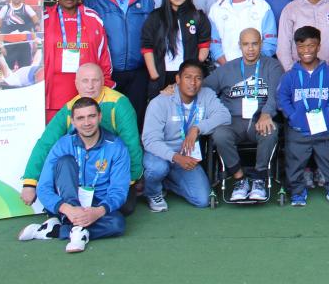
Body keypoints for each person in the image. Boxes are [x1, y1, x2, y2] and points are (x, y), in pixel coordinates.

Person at [21, 63, 142, 215]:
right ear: (76, 84)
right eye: (85, 81)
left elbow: (132, 143)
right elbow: (45, 143)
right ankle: (70, 217)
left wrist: (131, 180)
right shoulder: (71, 107)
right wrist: (30, 182)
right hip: (81, 173)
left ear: (103, 81)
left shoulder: (119, 104)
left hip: (111, 171)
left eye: (95, 80)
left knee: (124, 208)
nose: (90, 86)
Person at [16, 97, 129, 253]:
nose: (87, 123)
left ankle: (56, 230)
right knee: (65, 162)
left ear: (100, 117)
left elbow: (119, 191)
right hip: (66, 205)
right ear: (73, 122)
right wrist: (68, 209)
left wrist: (98, 212)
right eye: (80, 118)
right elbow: (44, 187)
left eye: (91, 116)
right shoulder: (63, 144)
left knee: (117, 224)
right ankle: (76, 229)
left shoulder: (116, 147)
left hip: (96, 205)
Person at [205, 28, 284, 202]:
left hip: (260, 119)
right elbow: (203, 89)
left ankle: (259, 179)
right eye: (246, 44)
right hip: (232, 121)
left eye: (254, 44)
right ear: (239, 45)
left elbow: (276, 94)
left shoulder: (272, 65)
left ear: (261, 44)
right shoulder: (227, 69)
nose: (250, 49)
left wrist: (266, 113)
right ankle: (239, 179)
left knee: (270, 130)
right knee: (219, 134)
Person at [141, 60, 231, 211]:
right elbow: (150, 141)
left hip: (186, 155)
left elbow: (225, 116)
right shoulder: (160, 102)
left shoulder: (206, 95)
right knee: (157, 168)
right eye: (188, 77)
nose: (193, 83)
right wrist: (176, 157)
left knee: (203, 200)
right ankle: (153, 192)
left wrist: (197, 128)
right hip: (160, 155)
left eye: (198, 78)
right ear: (178, 79)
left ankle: (166, 181)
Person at [278, 26, 329, 206]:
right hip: (298, 129)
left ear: (319, 46)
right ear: (296, 48)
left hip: (324, 127)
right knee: (294, 161)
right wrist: (293, 116)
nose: (306, 51)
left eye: (311, 46)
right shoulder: (290, 76)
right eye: (301, 46)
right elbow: (283, 98)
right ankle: (297, 191)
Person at [84, 0, 156, 125]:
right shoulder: (93, 0)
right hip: (107, 72)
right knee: (107, 120)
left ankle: (133, 152)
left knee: (135, 120)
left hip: (138, 72)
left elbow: (153, 35)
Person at [42, 0, 113, 121]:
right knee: (56, 139)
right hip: (52, 94)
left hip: (87, 91)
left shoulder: (93, 18)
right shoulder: (44, 20)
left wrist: (104, 89)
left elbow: (104, 58)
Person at [141, 0, 212, 98]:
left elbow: (204, 46)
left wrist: (191, 73)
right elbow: (147, 46)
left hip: (188, 77)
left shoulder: (198, 16)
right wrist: (154, 74)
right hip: (161, 76)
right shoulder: (156, 16)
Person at [209, 0, 277, 64]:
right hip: (224, 69)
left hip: (256, 69)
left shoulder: (262, 7)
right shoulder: (216, 9)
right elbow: (213, 43)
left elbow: (270, 41)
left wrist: (253, 64)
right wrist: (228, 67)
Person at [0, 0, 38, 69]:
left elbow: (34, 20)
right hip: (9, 44)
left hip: (24, 43)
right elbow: (0, 26)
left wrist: (35, 40)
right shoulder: (5, 8)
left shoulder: (26, 7)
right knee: (8, 68)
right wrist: (1, 45)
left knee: (25, 68)